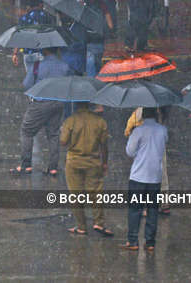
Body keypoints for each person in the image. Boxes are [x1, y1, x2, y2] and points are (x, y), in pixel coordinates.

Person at [11, 46, 71, 177]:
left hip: (40, 104)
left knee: (27, 131)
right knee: (53, 134)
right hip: (58, 103)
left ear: (45, 50)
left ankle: (26, 165)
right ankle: (53, 167)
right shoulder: (64, 66)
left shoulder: (37, 66)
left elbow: (27, 85)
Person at [60, 103, 112, 236]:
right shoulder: (100, 122)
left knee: (75, 195)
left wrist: (64, 131)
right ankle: (98, 223)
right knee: (95, 193)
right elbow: (104, 146)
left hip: (74, 162)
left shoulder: (70, 120)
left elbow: (63, 142)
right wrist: (104, 163)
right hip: (93, 162)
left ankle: (81, 226)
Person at [122, 107, 167, 251]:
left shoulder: (138, 131)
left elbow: (129, 152)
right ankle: (150, 242)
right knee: (152, 210)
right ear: (156, 114)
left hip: (138, 176)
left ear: (143, 115)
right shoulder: (163, 130)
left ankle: (133, 241)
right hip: (155, 177)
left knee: (135, 210)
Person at [124, 106, 171, 215]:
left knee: (143, 177)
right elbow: (165, 136)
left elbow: (128, 130)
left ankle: (144, 207)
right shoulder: (161, 109)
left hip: (143, 148)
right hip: (158, 147)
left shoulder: (138, 112)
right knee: (161, 175)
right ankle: (164, 204)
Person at [11, 0, 52, 78]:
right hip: (43, 53)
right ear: (40, 4)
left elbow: (19, 36)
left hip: (28, 53)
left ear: (29, 5)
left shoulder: (24, 18)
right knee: (42, 80)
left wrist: (15, 53)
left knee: (30, 78)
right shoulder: (47, 17)